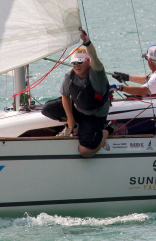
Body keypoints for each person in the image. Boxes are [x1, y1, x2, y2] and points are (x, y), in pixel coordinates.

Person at [40, 29, 113, 157]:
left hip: (94, 116)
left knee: (86, 152)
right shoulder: (70, 74)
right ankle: (74, 126)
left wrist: (88, 43)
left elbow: (95, 58)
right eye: (74, 63)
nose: (76, 66)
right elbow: (65, 96)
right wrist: (70, 118)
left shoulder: (96, 74)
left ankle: (107, 131)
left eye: (80, 62)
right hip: (78, 110)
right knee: (47, 109)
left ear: (88, 62)